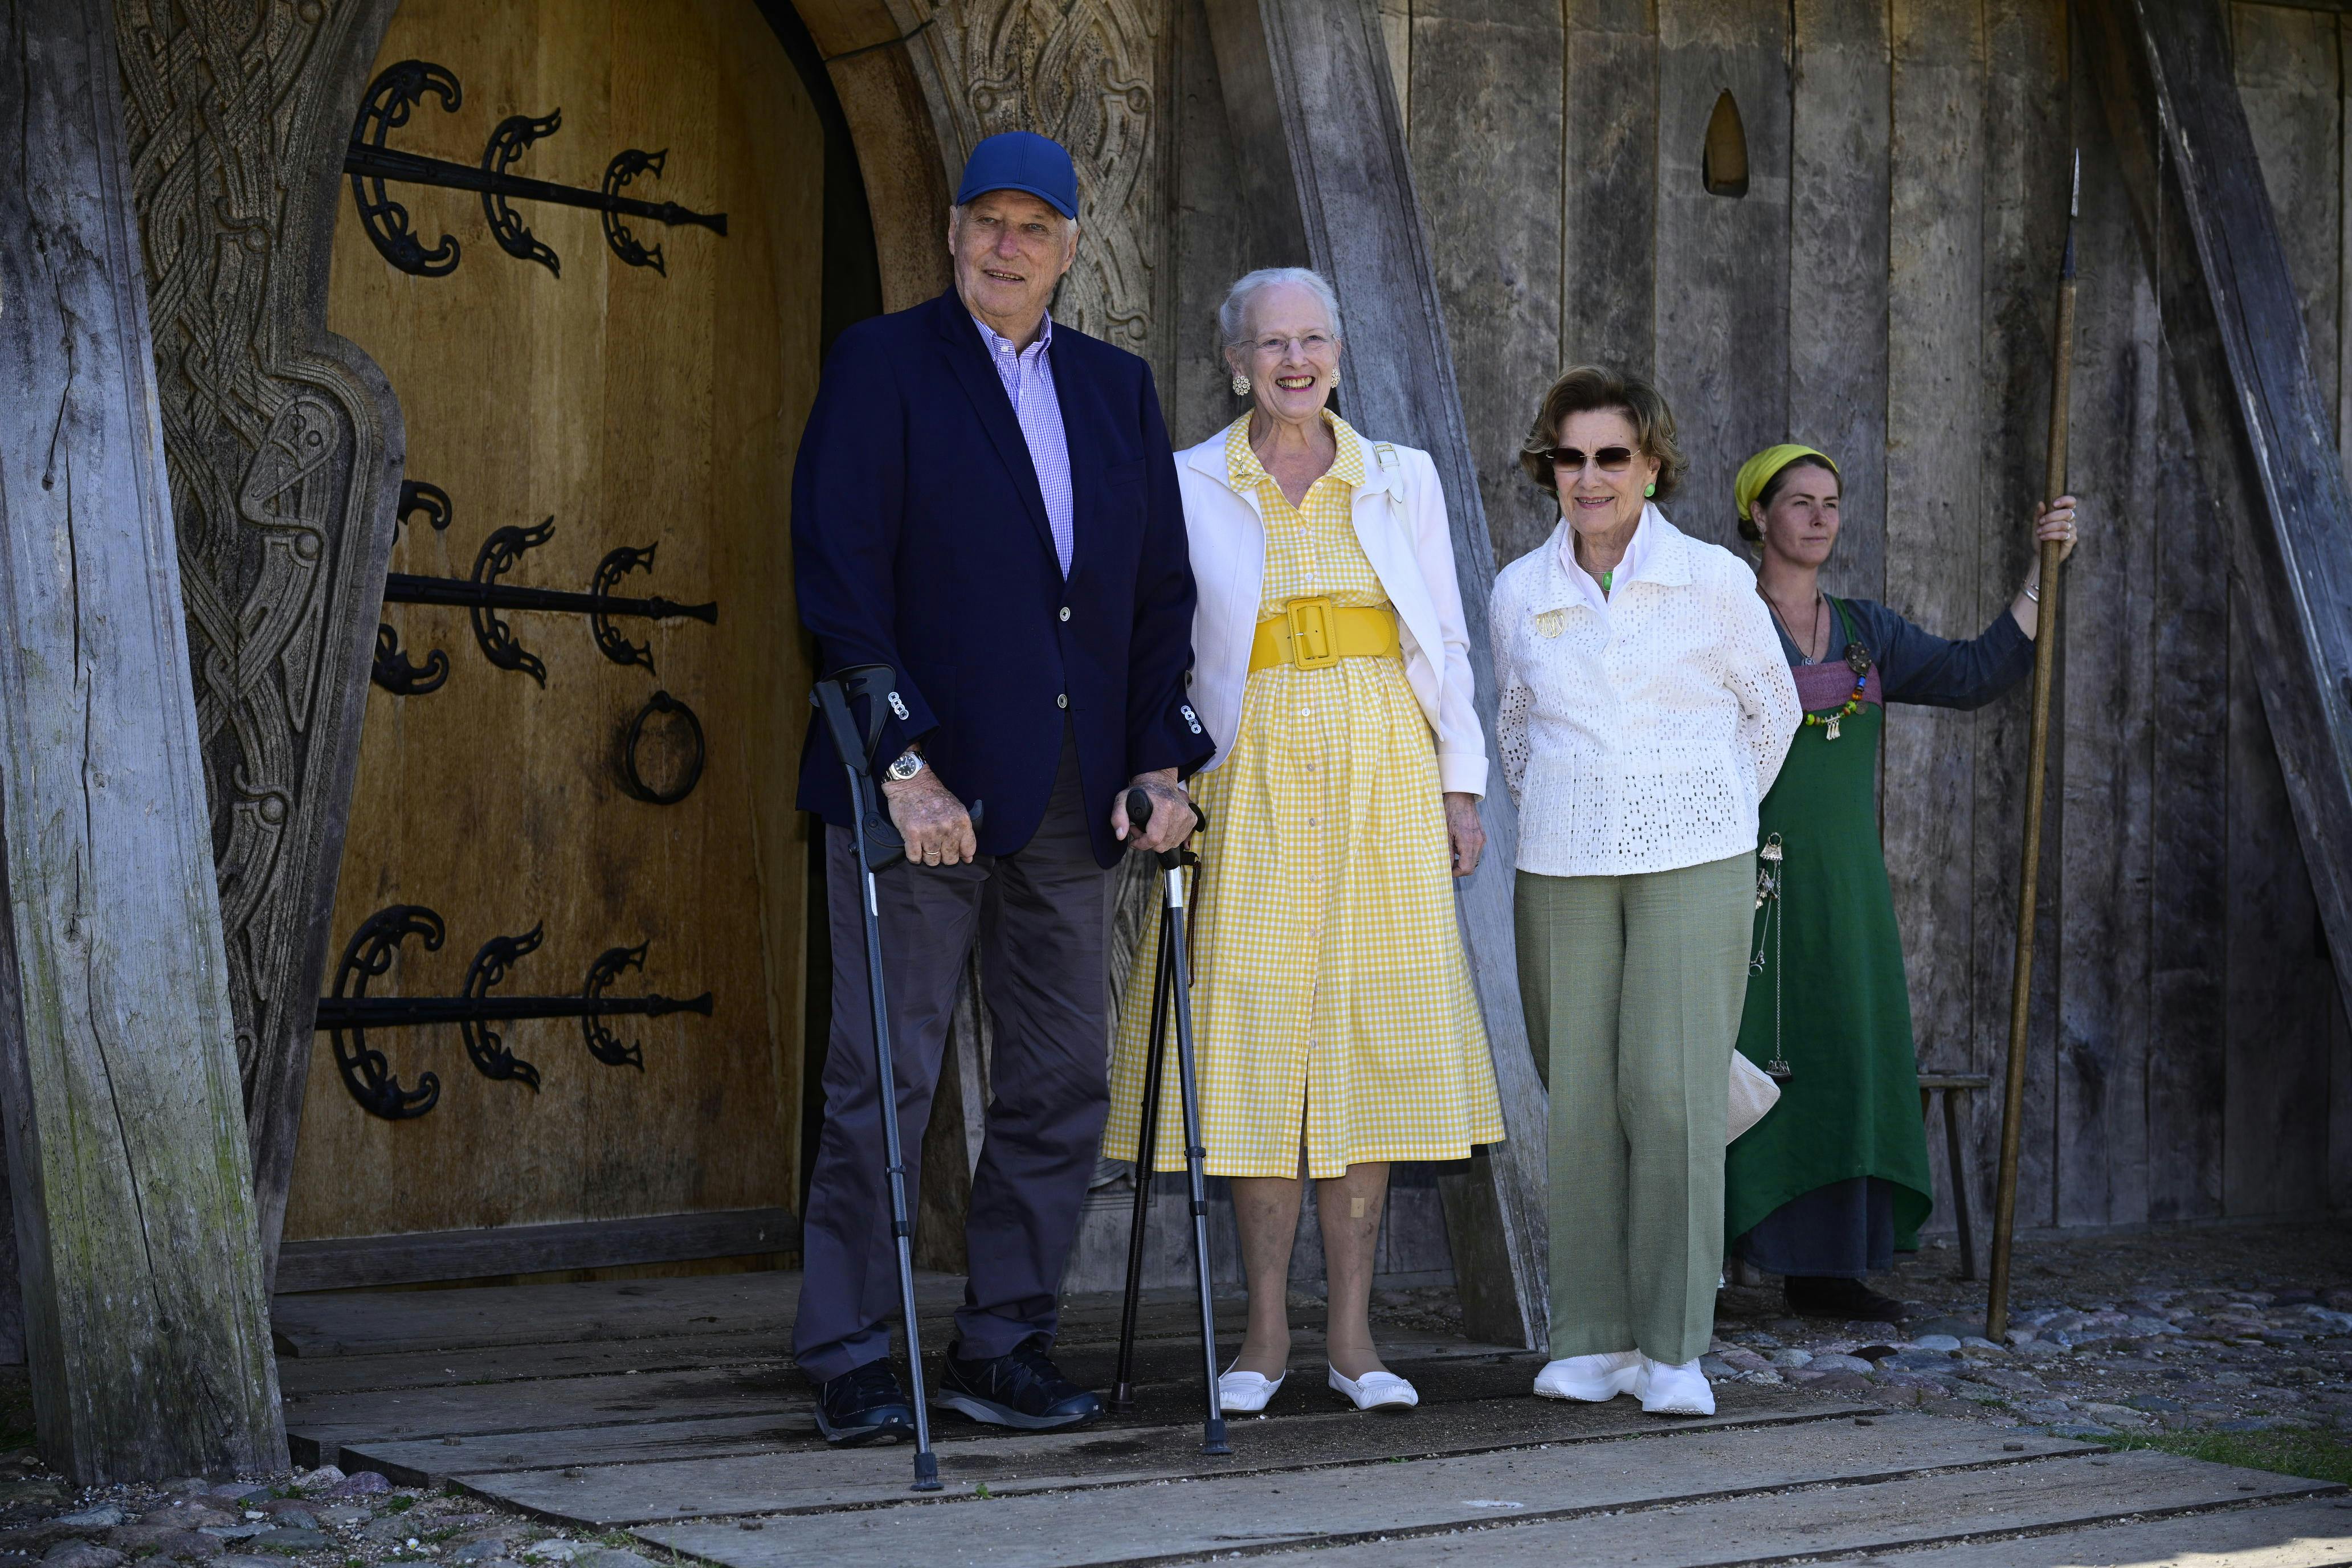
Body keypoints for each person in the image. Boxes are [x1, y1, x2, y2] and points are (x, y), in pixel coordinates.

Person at [790, 131, 1213, 1446]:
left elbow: (1154, 595)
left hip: (1079, 796)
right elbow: (837, 573)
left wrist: (1159, 755)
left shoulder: (1116, 386)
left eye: (1037, 226)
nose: (1009, 246)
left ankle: (1005, 1339)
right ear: (955, 233)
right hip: (922, 792)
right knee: (885, 1079)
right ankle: (855, 1348)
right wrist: (904, 768)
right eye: (989, 222)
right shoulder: (883, 363)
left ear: (1072, 247)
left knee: (1060, 1083)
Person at [1101, 267, 1503, 1414]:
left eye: (1312, 340)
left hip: (1386, 773)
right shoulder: (1186, 480)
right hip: (1255, 777)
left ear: (1339, 353)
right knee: (1261, 1050)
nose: (1293, 361)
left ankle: (1358, 1338)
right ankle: (1266, 1335)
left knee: (1372, 1042)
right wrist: (1158, 768)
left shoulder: (1402, 477)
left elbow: (1447, 642)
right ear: (1235, 360)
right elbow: (1154, 645)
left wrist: (1460, 787)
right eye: (1271, 343)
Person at [1493, 365, 1799, 1418]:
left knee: (1670, 1096)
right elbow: (1519, 736)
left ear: (1653, 465)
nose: (1589, 477)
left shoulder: (1714, 579)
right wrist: (1586, 810)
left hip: (1696, 860)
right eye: (1569, 458)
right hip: (1563, 865)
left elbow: (1774, 719)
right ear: (1550, 470)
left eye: (1611, 456)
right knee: (1576, 1097)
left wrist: (1698, 808)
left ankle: (1674, 1347)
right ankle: (1593, 1339)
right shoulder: (1518, 592)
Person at [1724, 444, 2079, 1322]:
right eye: (1798, 501)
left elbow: (1972, 674)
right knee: (1736, 1058)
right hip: (1743, 884)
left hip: (1847, 892)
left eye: (1831, 503)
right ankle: (1712, 1265)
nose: (1818, 517)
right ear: (1756, 518)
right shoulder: (1721, 621)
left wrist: (2043, 572)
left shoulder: (1866, 632)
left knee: (1846, 1056)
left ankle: (1828, 1271)